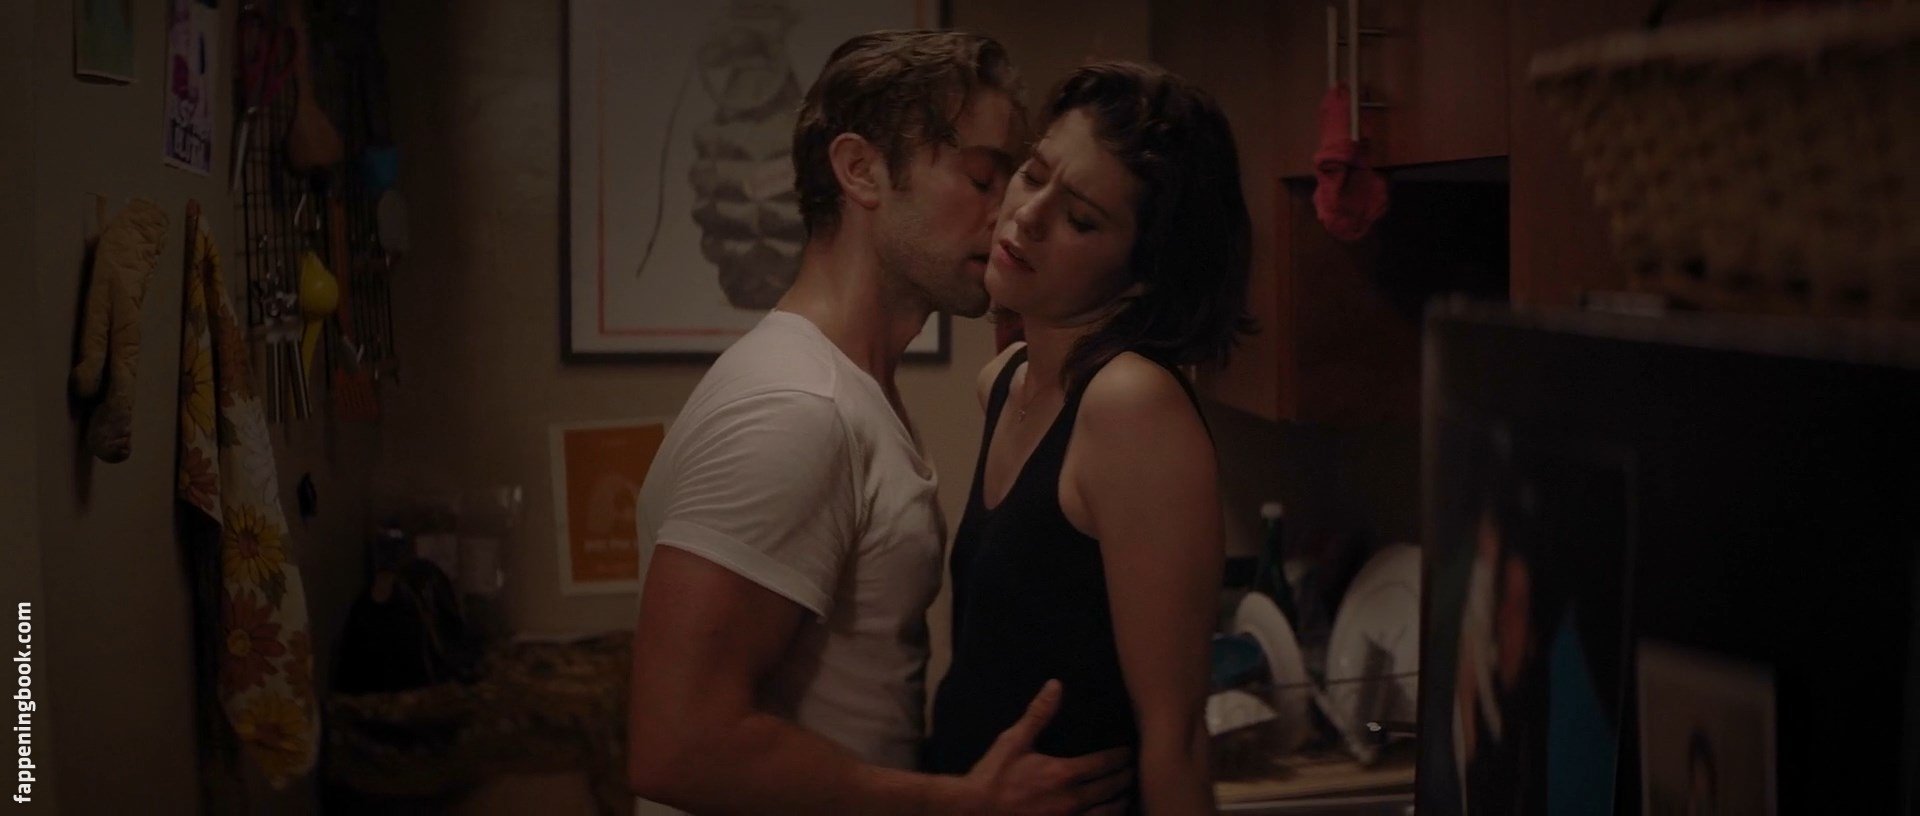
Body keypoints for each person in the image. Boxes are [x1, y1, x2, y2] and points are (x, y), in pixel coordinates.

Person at [626, 31, 1133, 816]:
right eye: (981, 176)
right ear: (860, 170)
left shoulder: (849, 391)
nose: (1009, 210)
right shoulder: (797, 408)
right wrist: (958, 804)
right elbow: (679, 745)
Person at [923, 62, 1256, 814]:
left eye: (1080, 220)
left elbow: (1176, 741)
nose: (1027, 216)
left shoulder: (1131, 406)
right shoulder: (1007, 381)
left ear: (1142, 275)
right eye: (1033, 174)